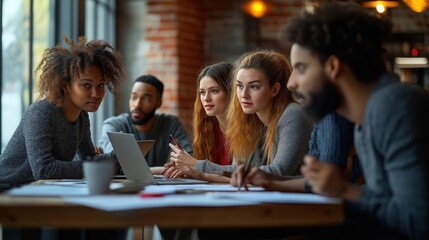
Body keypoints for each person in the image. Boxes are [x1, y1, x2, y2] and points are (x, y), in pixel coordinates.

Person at [236, 3, 429, 239]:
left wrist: (343, 190)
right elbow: (381, 198)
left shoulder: (394, 106)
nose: (292, 83)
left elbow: (418, 223)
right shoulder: (363, 119)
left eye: (301, 68)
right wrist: (273, 181)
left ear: (333, 67)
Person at [0, 36, 127, 240]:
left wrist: (120, 156)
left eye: (101, 85)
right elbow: (44, 169)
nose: (96, 93)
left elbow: (88, 158)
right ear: (65, 85)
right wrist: (105, 164)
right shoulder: (41, 112)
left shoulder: (82, 116)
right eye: (86, 85)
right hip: (13, 192)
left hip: (44, 191)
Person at [183, 50, 312, 180]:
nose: (243, 94)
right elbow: (239, 170)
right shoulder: (250, 120)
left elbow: (277, 172)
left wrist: (199, 167)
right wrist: (200, 173)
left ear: (275, 89)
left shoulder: (293, 114)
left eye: (254, 87)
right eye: (239, 86)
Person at [99, 75, 193, 171]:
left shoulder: (171, 123)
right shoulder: (113, 125)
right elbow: (114, 163)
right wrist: (161, 170)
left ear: (158, 103)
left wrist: (178, 163)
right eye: (133, 97)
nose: (137, 104)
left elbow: (188, 160)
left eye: (146, 99)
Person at [163, 62, 234, 183]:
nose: (206, 98)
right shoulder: (208, 127)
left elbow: (238, 172)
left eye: (214, 91)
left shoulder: (245, 128)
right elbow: (201, 169)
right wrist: (184, 167)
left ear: (231, 92)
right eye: (202, 92)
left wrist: (194, 165)